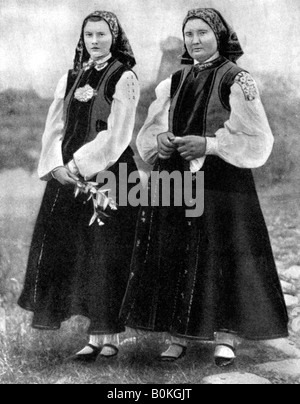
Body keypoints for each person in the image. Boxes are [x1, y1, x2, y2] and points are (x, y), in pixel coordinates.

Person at [121, 8, 289, 366]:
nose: (195, 41)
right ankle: (178, 333)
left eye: (202, 33)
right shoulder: (175, 80)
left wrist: (210, 144)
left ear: (219, 36)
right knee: (175, 248)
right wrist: (162, 139)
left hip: (222, 178)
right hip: (178, 176)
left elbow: (258, 138)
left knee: (222, 249)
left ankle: (225, 337)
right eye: (189, 34)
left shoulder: (237, 79)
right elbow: (152, 129)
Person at [18, 11, 140, 362]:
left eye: (102, 34)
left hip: (110, 174)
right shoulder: (71, 77)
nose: (95, 41)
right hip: (66, 177)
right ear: (82, 38)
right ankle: (93, 336)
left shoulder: (125, 77)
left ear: (113, 38)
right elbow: (53, 127)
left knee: (107, 251)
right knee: (74, 249)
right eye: (89, 35)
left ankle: (110, 335)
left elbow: (117, 136)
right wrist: (56, 166)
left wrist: (77, 164)